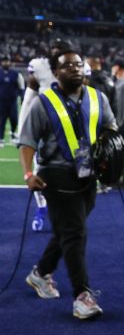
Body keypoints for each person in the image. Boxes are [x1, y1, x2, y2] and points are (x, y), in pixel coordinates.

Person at [17, 48, 117, 319]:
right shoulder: (44, 102)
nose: (74, 69)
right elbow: (26, 141)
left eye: (78, 64)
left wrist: (110, 154)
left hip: (88, 174)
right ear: (56, 72)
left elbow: (111, 129)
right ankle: (81, 296)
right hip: (56, 174)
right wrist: (28, 174)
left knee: (69, 230)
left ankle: (40, 273)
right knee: (75, 233)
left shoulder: (98, 98)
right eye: (67, 65)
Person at [20, 39, 73, 232]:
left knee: (69, 174)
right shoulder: (40, 69)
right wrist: (23, 127)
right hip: (45, 131)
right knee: (40, 171)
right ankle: (42, 208)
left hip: (69, 131)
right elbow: (28, 98)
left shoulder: (75, 69)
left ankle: (64, 212)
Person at [0, 55, 24, 147]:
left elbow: (21, 86)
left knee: (14, 119)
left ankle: (13, 134)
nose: (6, 63)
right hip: (1, 101)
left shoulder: (16, 74)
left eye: (7, 61)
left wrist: (22, 97)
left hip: (12, 101)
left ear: (10, 62)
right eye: (4, 61)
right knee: (1, 120)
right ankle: (1, 139)